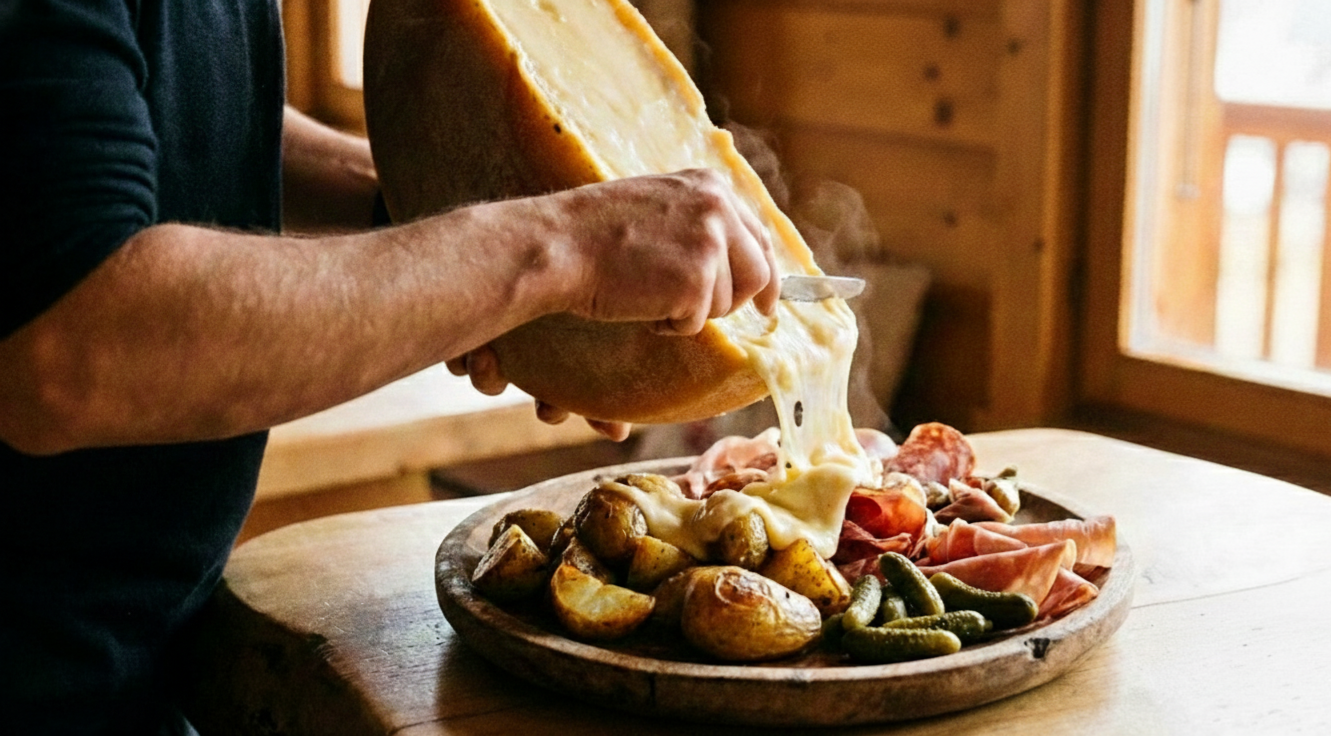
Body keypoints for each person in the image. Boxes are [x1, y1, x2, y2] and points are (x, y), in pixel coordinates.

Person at [0, 0, 779, 732]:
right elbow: (76, 351)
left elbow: (137, 112)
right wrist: (558, 247)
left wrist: (430, 241)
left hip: (143, 659)